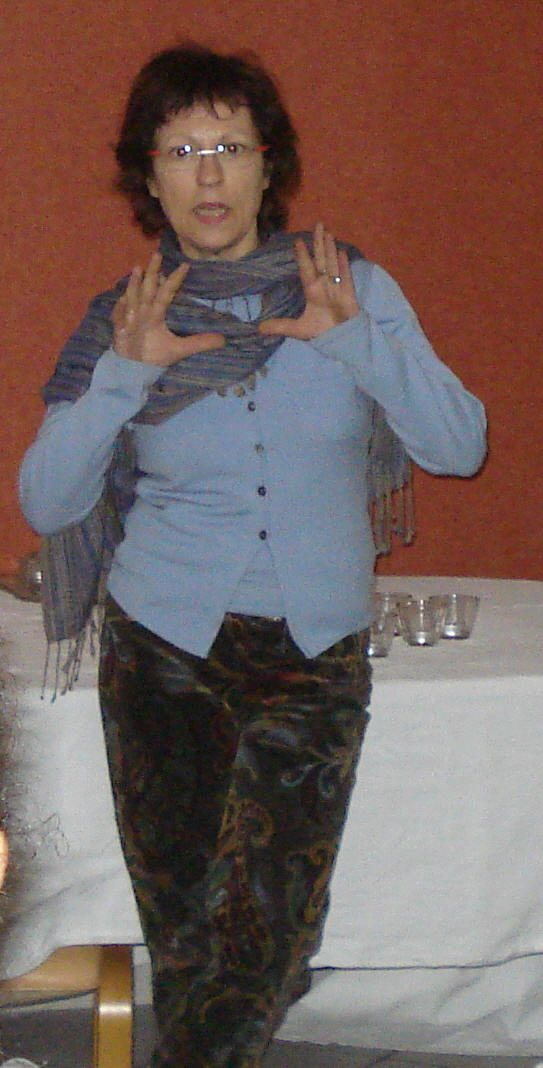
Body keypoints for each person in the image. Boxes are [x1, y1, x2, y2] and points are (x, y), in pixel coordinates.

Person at [18, 42, 486, 1067]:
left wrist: (354, 341)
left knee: (266, 927)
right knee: (191, 937)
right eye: (181, 150)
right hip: (159, 655)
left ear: (270, 164)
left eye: (230, 146)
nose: (209, 174)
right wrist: (123, 379)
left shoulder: (349, 286)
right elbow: (47, 499)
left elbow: (459, 445)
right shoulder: (127, 318)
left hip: (313, 655)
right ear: (148, 179)